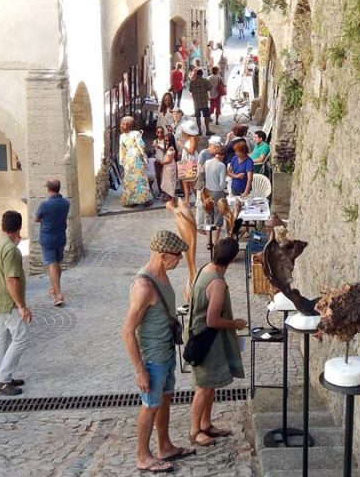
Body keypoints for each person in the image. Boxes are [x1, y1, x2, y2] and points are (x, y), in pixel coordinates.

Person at [122, 230, 195, 474]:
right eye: (177, 256)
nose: (180, 260)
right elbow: (128, 331)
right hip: (153, 357)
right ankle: (142, 456)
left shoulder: (162, 276)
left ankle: (164, 446)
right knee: (150, 405)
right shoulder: (143, 286)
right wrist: (139, 370)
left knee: (164, 399)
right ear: (163, 255)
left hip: (166, 353)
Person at [187, 238, 246, 446]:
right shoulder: (217, 283)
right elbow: (213, 320)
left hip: (200, 335)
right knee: (203, 387)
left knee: (210, 385)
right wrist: (235, 323)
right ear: (231, 259)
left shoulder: (205, 268)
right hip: (206, 341)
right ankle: (195, 432)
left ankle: (206, 424)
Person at [0, 210, 30, 396]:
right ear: (18, 227)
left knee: (0, 338)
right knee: (20, 338)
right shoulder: (11, 249)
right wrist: (21, 306)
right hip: (8, 301)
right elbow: (11, 279)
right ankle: (2, 378)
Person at [35, 179, 70, 307]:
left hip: (47, 237)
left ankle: (58, 294)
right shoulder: (66, 203)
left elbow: (37, 218)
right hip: (60, 236)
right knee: (57, 263)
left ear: (48, 189)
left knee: (51, 264)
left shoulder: (45, 204)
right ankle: (54, 287)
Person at [119, 116, 153, 208]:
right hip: (137, 157)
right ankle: (145, 199)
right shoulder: (136, 133)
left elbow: (122, 149)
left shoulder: (122, 136)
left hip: (128, 158)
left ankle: (131, 200)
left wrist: (122, 161)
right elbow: (141, 146)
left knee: (129, 179)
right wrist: (145, 157)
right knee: (141, 178)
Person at [194, 136, 222, 230]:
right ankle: (199, 225)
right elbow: (200, 169)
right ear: (211, 146)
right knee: (201, 204)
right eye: (216, 147)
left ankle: (209, 224)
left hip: (213, 184)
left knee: (210, 204)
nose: (218, 150)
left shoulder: (217, 155)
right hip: (203, 182)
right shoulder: (204, 153)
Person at [203, 146, 227, 244]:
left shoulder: (207, 162)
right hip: (218, 191)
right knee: (218, 216)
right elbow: (222, 184)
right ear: (223, 155)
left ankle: (209, 241)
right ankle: (216, 241)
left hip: (208, 190)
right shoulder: (221, 165)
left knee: (208, 215)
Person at [180, 121, 199, 207]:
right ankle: (187, 201)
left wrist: (182, 146)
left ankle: (197, 198)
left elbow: (191, 151)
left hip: (190, 161)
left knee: (192, 183)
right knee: (185, 182)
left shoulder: (193, 138)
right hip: (185, 161)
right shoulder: (189, 138)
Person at [189, 68, 213, 137]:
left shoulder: (192, 82)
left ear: (197, 74)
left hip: (196, 103)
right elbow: (211, 87)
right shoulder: (205, 81)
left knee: (198, 117)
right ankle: (207, 130)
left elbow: (190, 90)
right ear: (202, 74)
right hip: (204, 102)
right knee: (206, 116)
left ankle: (199, 130)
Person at [161, 134, 179, 203]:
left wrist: (162, 162)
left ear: (171, 140)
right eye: (165, 140)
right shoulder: (170, 147)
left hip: (169, 166)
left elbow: (169, 160)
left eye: (167, 140)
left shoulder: (171, 148)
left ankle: (173, 198)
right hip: (169, 167)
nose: (166, 142)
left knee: (170, 182)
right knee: (169, 181)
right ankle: (170, 196)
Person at [153, 126, 166, 195]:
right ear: (156, 133)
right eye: (158, 132)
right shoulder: (155, 141)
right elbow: (154, 152)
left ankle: (165, 190)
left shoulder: (166, 141)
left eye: (161, 132)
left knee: (164, 176)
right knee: (158, 176)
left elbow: (167, 151)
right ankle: (160, 190)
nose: (160, 134)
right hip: (157, 160)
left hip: (164, 161)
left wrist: (160, 147)